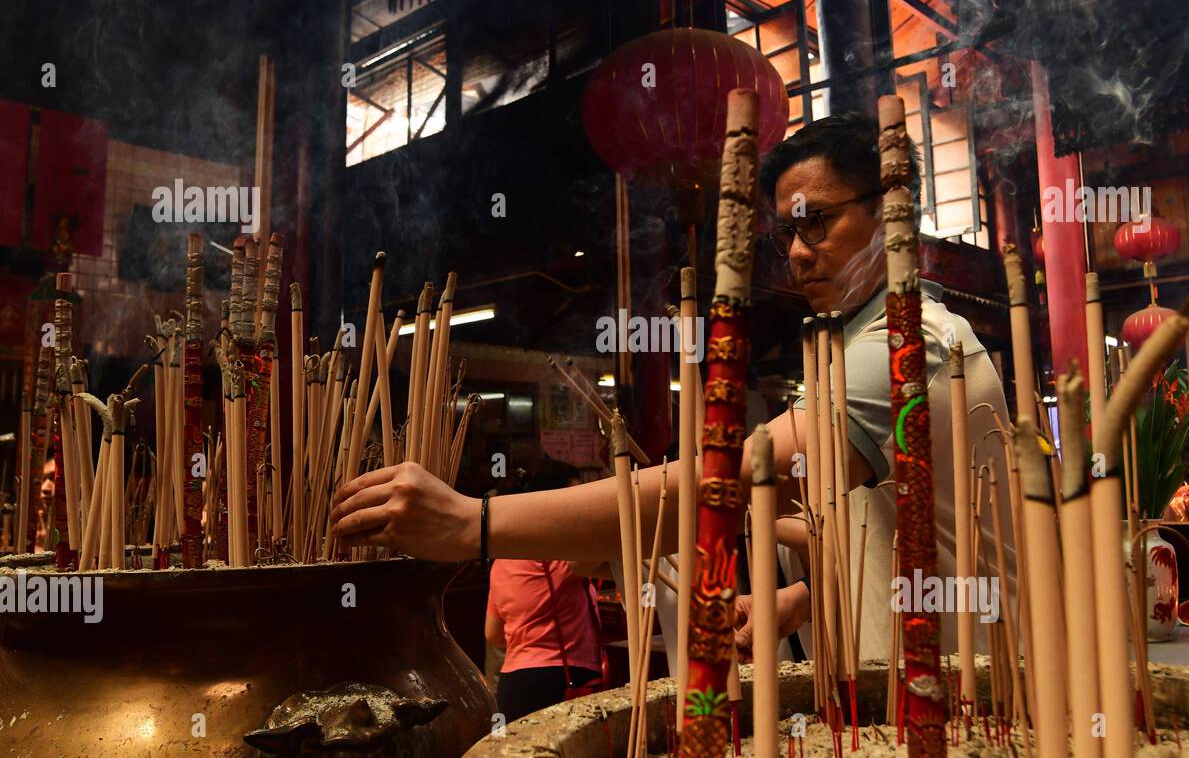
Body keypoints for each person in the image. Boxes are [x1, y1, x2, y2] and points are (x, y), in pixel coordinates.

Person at [332, 112, 1015, 661]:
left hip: (967, 707)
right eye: (788, 231)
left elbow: (743, 476)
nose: (799, 251)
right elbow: (869, 525)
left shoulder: (909, 343)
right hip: (892, 701)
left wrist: (473, 523)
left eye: (819, 222)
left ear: (892, 212)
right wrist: (800, 598)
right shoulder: (849, 347)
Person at [484, 458, 605, 721]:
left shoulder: (502, 558)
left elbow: (492, 632)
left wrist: (531, 645)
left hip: (514, 683)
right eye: (574, 496)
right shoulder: (561, 554)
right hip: (564, 678)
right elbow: (608, 543)